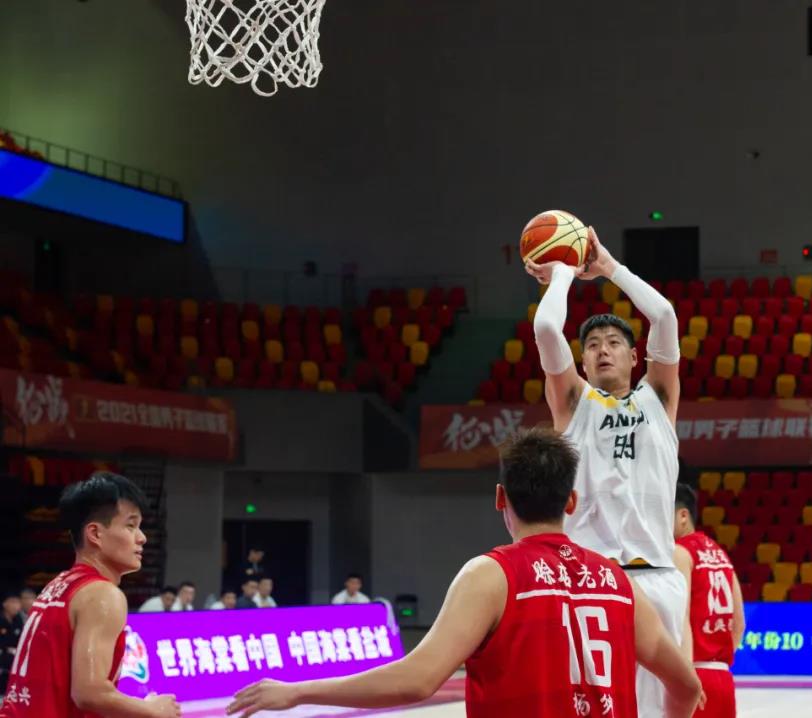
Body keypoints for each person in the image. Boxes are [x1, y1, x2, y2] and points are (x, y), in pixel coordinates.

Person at [227, 429, 702, 718]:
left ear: (500, 498)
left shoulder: (492, 576)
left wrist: (299, 691)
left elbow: (418, 679)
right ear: (572, 502)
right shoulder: (619, 583)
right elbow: (686, 685)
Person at [527, 227, 686, 717]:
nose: (602, 350)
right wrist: (561, 273)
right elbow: (547, 329)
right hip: (591, 580)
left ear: (635, 357)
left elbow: (664, 315)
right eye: (593, 344)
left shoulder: (658, 398)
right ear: (583, 360)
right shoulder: (574, 402)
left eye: (614, 342)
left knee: (662, 708)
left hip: (656, 575)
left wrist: (609, 268)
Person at [0, 472, 180, 717]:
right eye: (131, 526)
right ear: (95, 534)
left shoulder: (59, 584)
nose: (142, 538)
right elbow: (89, 693)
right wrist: (151, 709)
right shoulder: (103, 594)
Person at [674, 483, 744, 717]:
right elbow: (739, 624)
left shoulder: (679, 552)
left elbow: (682, 618)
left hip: (695, 675)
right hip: (723, 677)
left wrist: (687, 673)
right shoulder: (720, 554)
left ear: (683, 516)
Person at [0, 594, 22, 692]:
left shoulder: (18, 620)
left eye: (17, 602)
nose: (16, 606)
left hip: (14, 655)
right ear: (5, 604)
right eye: (13, 602)